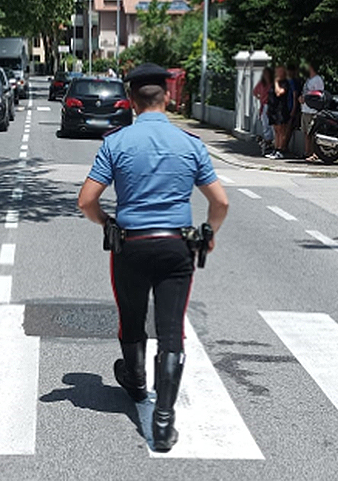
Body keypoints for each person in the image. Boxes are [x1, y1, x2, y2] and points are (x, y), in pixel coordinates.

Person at [76, 63, 230, 452]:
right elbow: (220, 202)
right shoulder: (191, 144)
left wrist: (106, 222)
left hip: (130, 244)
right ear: (167, 97)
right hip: (176, 246)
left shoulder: (116, 143)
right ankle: (163, 421)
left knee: (131, 318)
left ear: (130, 101)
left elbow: (86, 201)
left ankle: (136, 379)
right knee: (171, 328)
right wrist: (208, 233)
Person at [266, 66, 293, 159]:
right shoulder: (274, 84)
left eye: (279, 71)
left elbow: (279, 93)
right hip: (273, 109)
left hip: (280, 110)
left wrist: (276, 82)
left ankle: (280, 150)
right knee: (276, 130)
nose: (277, 73)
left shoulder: (285, 83)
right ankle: (275, 148)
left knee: (281, 130)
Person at [298, 62, 324, 160]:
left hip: (312, 110)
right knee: (305, 132)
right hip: (305, 109)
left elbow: (318, 94)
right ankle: (307, 152)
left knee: (311, 133)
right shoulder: (308, 80)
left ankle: (313, 153)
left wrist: (307, 99)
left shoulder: (317, 80)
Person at [252, 67, 274, 155]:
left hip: (272, 105)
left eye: (267, 74)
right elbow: (255, 92)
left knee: (271, 124)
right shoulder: (261, 84)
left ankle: (272, 142)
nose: (266, 76)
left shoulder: (272, 84)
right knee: (265, 123)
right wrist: (259, 97)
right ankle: (267, 140)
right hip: (264, 105)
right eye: (265, 74)